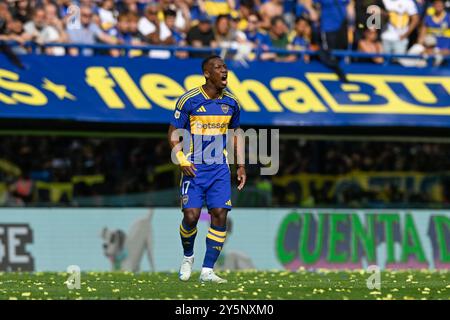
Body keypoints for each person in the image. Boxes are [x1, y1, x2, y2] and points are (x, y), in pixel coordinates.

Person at [168, 55, 246, 283]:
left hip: (219, 169)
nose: (224, 71)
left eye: (225, 66)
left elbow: (236, 134)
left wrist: (240, 165)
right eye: (218, 67)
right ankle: (188, 256)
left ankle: (207, 270)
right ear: (206, 73)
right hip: (193, 168)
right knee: (191, 217)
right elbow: (173, 132)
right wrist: (182, 159)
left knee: (220, 214)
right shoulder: (189, 100)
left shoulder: (231, 103)